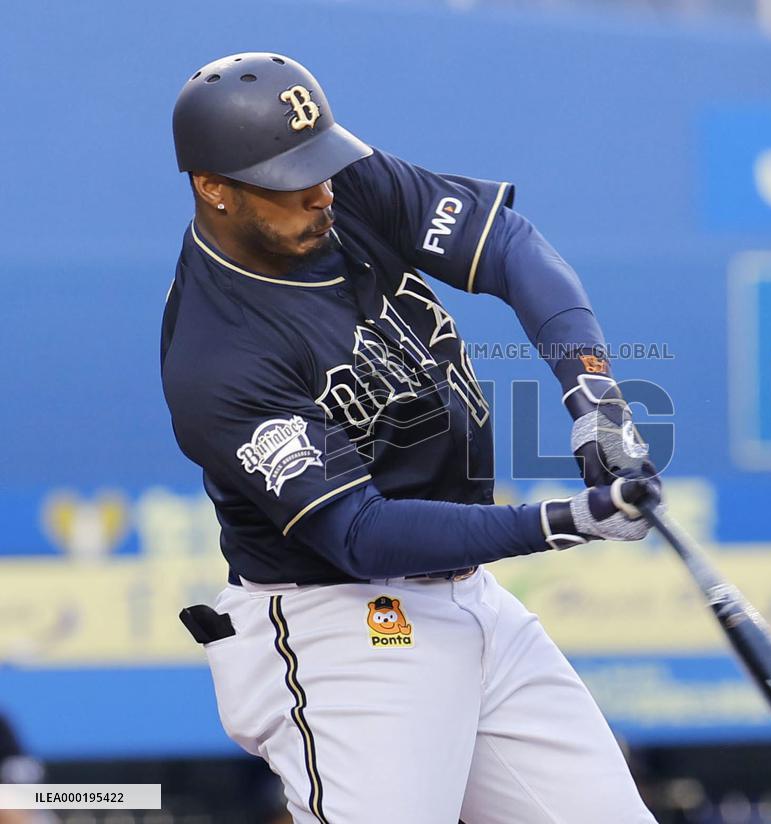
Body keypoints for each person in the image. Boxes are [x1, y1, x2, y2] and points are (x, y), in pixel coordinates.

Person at [163, 52, 663, 824]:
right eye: (291, 179)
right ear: (213, 188)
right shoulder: (218, 355)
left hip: (473, 601)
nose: (322, 191)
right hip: (341, 630)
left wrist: (594, 394)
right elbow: (360, 535)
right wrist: (562, 521)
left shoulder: (341, 187)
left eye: (320, 163)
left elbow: (510, 246)